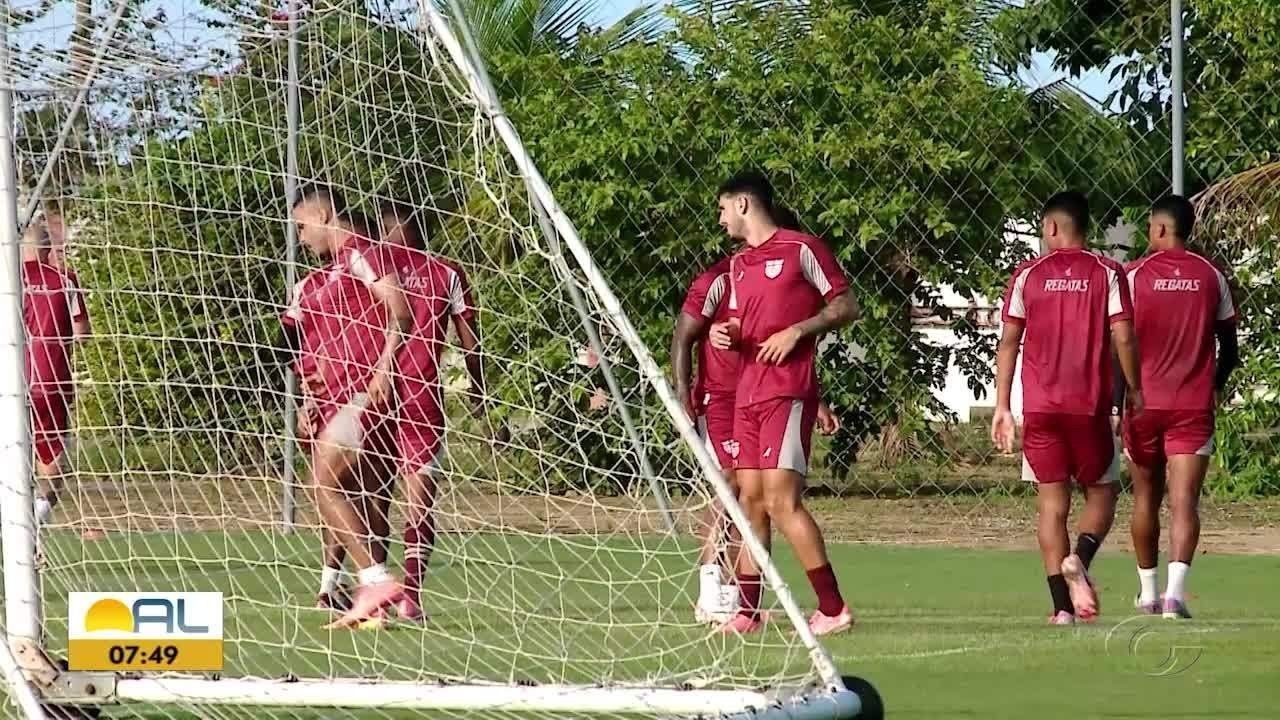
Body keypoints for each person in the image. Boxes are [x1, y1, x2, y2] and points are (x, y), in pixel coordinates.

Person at [706, 171, 858, 636]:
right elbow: (740, 322)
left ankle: (833, 607)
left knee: (780, 500)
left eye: (723, 208)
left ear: (744, 204)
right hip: (746, 393)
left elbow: (846, 306)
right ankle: (748, 612)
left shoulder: (801, 249)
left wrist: (798, 331)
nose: (720, 218)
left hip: (787, 391)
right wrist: (725, 333)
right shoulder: (737, 266)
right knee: (749, 501)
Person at [672, 209, 839, 625]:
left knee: (764, 499)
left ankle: (754, 602)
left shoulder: (787, 273)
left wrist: (814, 400)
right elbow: (684, 334)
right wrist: (683, 392)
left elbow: (780, 343)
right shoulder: (722, 276)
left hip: (767, 394)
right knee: (731, 488)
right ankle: (714, 589)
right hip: (721, 399)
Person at [990, 191, 1143, 625]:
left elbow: (1008, 342)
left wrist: (1002, 405)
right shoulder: (1107, 272)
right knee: (1103, 492)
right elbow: (1124, 337)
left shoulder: (1027, 275)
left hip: (1041, 409)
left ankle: (1061, 609)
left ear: (1052, 226)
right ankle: (1080, 559)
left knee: (1051, 506)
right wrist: (1134, 390)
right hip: (1088, 407)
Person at [288, 185, 414, 629]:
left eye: (302, 226)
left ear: (323, 215)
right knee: (358, 494)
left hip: (364, 395)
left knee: (323, 483)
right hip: (346, 395)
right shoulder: (337, 268)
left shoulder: (361, 252)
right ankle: (371, 603)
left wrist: (384, 368)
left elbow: (401, 310)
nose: (301, 237)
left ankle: (374, 582)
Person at [1121, 194, 1239, 619]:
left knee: (1145, 498)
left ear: (1159, 228)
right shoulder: (1211, 276)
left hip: (1143, 404)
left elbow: (1118, 341)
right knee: (1184, 500)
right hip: (1192, 405)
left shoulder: (1133, 276)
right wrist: (1215, 385)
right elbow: (1230, 348)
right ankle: (1175, 596)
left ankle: (1148, 593)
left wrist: (1121, 394)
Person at [376, 199, 485, 623]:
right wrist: (478, 391)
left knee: (373, 497)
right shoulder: (446, 272)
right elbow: (470, 341)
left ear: (392, 229)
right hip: (421, 398)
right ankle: (411, 597)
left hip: (375, 395)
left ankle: (374, 591)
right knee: (419, 502)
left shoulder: (370, 268)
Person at [21, 219, 87, 554]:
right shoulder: (66, 280)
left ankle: (18, 529)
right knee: (52, 464)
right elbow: (82, 334)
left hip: (14, 384)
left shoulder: (9, 280)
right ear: (48, 249)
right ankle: (37, 517)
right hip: (51, 383)